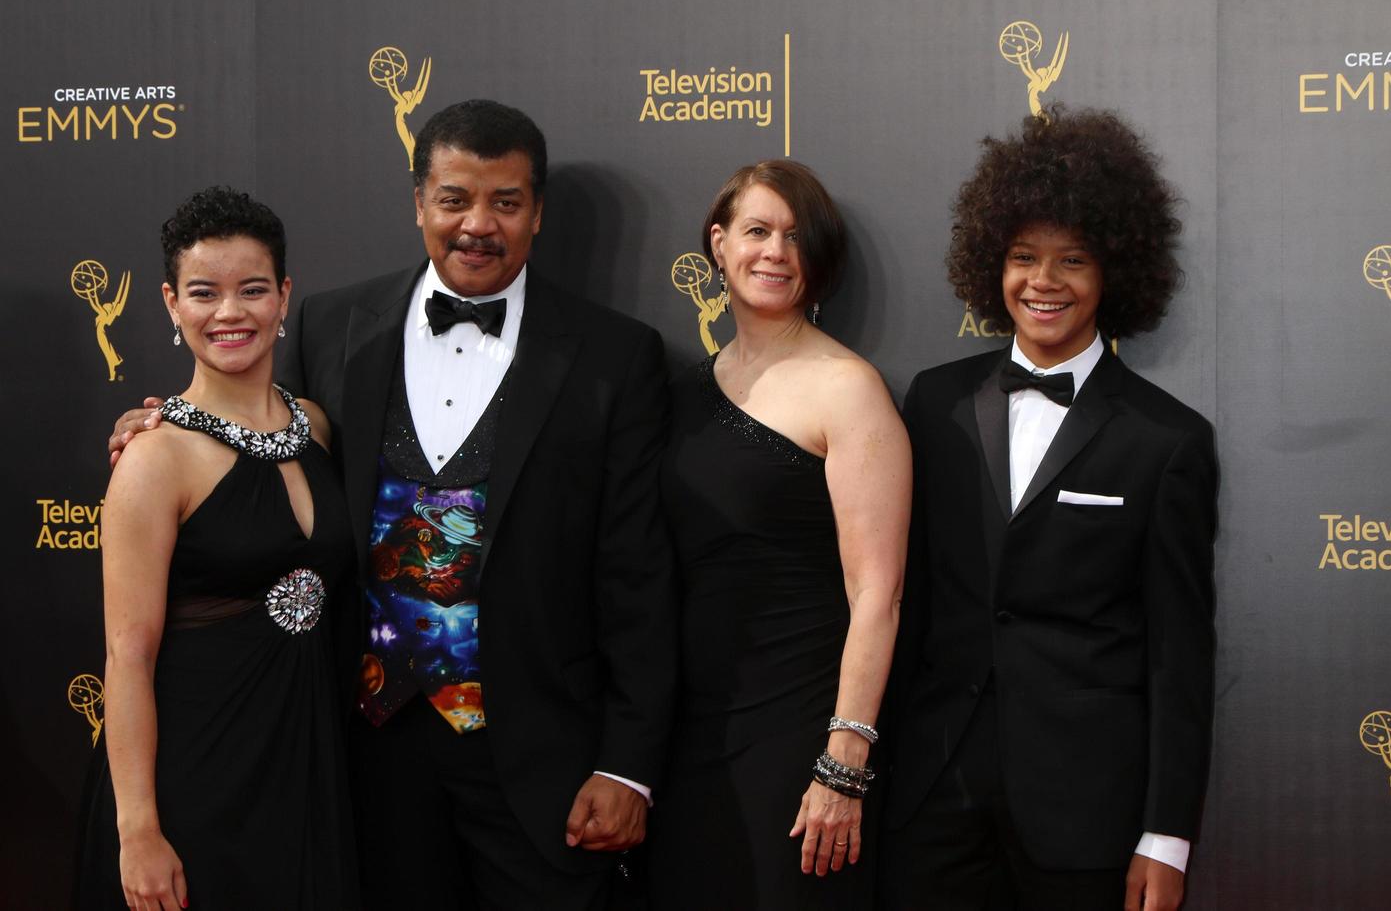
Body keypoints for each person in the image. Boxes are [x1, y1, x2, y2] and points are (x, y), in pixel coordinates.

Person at [108, 100, 678, 909]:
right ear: (419, 203)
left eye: (505, 202)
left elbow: (639, 578)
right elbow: (257, 448)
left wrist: (627, 763)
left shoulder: (616, 358)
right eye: (453, 199)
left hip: (537, 756)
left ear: (538, 211)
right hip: (358, 755)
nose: (477, 224)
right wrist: (161, 429)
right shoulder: (332, 325)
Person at [881, 107, 1218, 911]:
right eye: (1024, 257)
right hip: (932, 797)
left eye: (1073, 260)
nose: (1044, 282)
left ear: (1115, 271)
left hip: (1086, 812)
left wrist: (1166, 836)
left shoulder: (1167, 440)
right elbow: (904, 599)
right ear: (990, 266)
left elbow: (1179, 653)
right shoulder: (935, 403)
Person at [79, 187, 358, 910]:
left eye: (252, 290)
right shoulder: (154, 458)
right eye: (204, 293)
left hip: (305, 750)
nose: (229, 313)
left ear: (284, 296)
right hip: (198, 762)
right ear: (172, 304)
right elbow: (127, 655)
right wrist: (137, 827)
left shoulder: (317, 426)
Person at [649, 160, 911, 909]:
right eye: (757, 231)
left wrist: (843, 763)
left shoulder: (849, 389)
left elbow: (877, 594)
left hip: (801, 739)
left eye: (796, 237)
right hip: (689, 737)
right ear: (719, 243)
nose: (775, 252)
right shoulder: (680, 391)